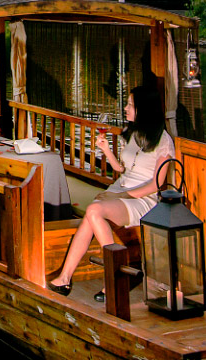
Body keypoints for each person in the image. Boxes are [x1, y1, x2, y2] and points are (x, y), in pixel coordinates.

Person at [48, 80, 174, 297]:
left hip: (144, 199)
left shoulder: (164, 141)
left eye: (130, 104)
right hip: (121, 190)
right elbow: (121, 169)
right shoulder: (133, 133)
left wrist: (123, 194)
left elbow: (156, 184)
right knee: (92, 213)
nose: (125, 108)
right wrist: (106, 150)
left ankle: (115, 274)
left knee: (94, 211)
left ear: (144, 108)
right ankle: (65, 277)